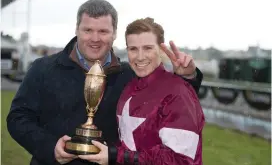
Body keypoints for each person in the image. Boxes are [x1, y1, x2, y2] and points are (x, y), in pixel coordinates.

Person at [6, 0, 203, 165]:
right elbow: (17, 118)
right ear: (76, 29)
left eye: (103, 31)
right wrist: (49, 147)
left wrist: (187, 77)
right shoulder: (43, 68)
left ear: (115, 33)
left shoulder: (130, 75)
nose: (95, 38)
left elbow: (169, 102)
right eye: (88, 30)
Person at [78, 17, 205, 165]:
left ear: (162, 50)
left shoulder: (178, 91)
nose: (140, 57)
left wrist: (115, 156)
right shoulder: (129, 87)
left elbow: (181, 160)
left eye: (147, 48)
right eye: (133, 49)